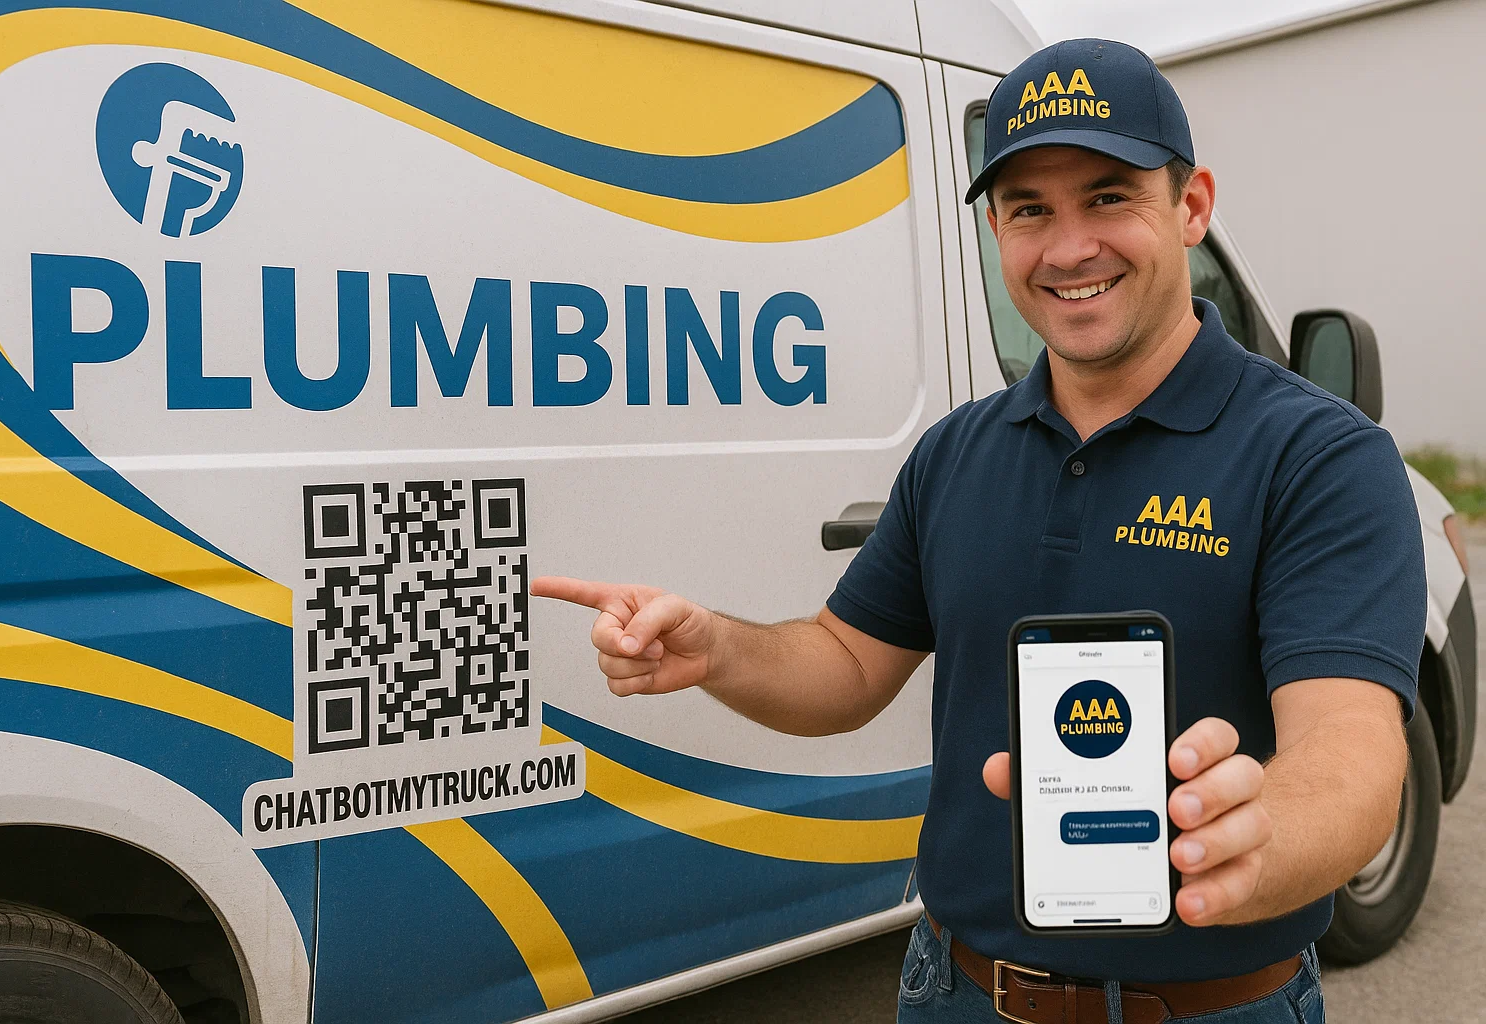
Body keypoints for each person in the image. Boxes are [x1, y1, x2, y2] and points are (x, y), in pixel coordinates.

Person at [533, 37, 1424, 1024]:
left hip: (1211, 1005)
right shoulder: (955, 454)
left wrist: (1264, 834)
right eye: (1029, 209)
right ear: (996, 230)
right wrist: (718, 647)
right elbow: (846, 666)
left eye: (1108, 196)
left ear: (1192, 206)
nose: (1069, 247)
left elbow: (1349, 747)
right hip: (957, 990)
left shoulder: (1318, 455)